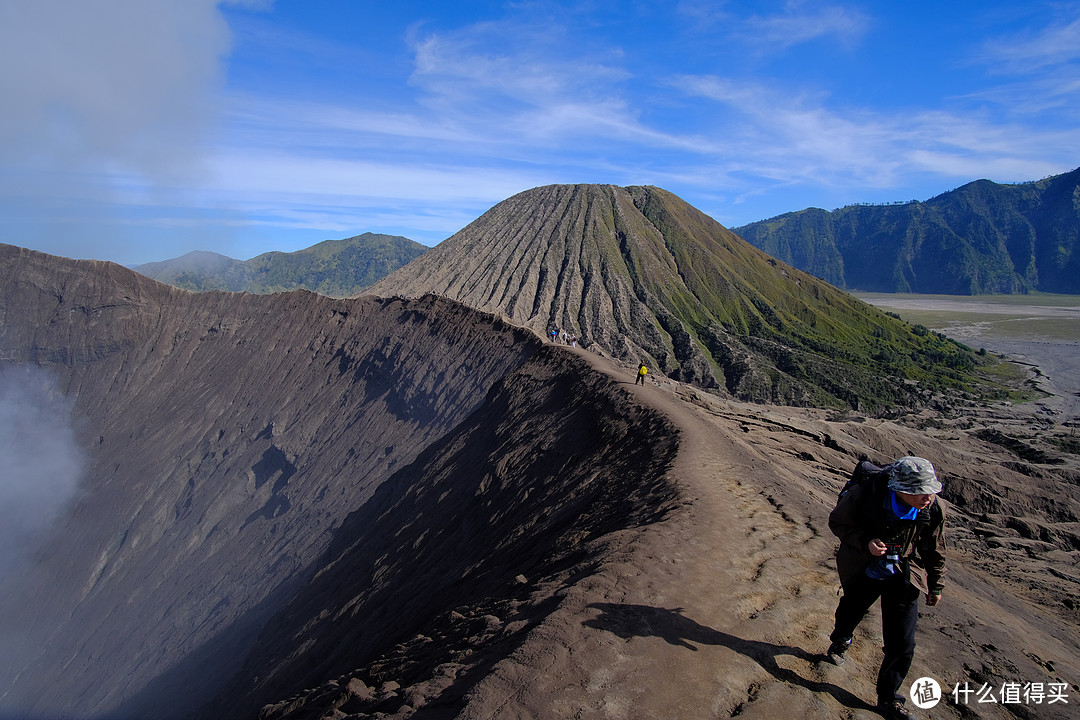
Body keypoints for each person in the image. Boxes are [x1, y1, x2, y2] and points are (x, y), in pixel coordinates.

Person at [826, 456, 946, 720]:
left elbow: (935, 548)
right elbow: (838, 522)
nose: (927, 497)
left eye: (930, 491)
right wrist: (866, 542)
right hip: (865, 568)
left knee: (903, 641)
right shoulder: (867, 494)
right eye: (919, 492)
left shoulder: (932, 508)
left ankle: (889, 698)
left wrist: (935, 584)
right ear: (899, 489)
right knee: (850, 612)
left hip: (904, 575)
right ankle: (841, 640)